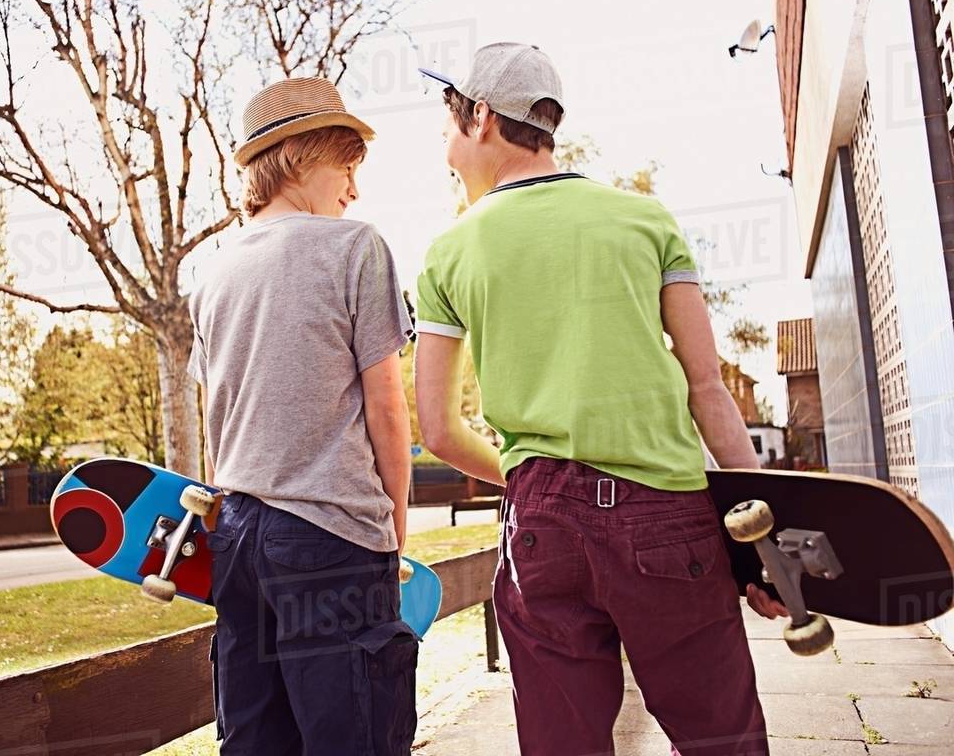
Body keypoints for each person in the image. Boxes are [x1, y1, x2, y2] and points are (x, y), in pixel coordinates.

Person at [412, 42, 788, 756]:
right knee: (723, 741)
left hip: (542, 527)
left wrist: (529, 476)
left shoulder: (449, 251)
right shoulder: (647, 220)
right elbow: (708, 391)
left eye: (449, 125)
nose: (447, 145)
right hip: (670, 517)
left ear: (482, 117)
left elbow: (438, 427)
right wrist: (760, 536)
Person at [187, 75, 417, 755]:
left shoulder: (212, 271)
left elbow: (219, 410)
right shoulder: (355, 248)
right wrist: (394, 533)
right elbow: (385, 405)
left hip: (238, 539)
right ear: (303, 156)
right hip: (332, 538)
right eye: (347, 167)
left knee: (256, 740)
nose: (354, 189)